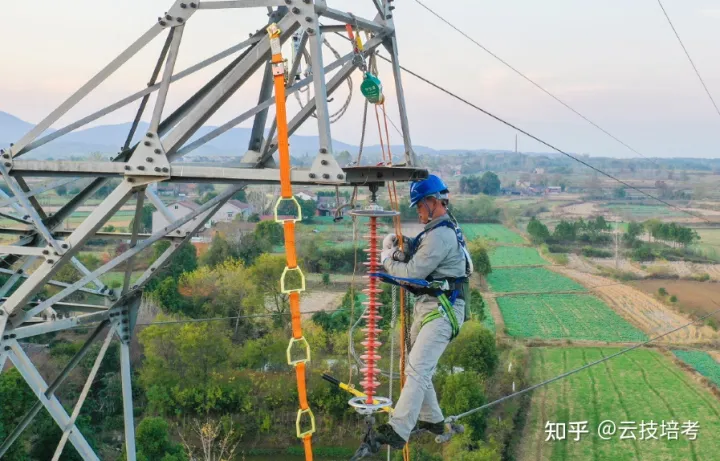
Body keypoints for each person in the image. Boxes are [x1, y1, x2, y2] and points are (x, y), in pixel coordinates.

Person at [374, 174, 473, 449]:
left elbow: (412, 273)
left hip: (443, 311)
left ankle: (397, 429)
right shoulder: (440, 230)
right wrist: (404, 244)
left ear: (433, 202)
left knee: (417, 368)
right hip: (433, 307)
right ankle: (431, 419)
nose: (418, 212)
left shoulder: (440, 234)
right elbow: (423, 255)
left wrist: (386, 260)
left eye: (419, 206)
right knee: (415, 364)